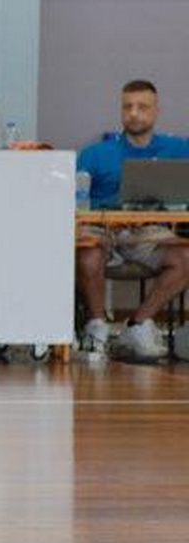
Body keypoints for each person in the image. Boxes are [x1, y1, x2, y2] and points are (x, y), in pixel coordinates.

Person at [75, 80, 189, 363]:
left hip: (149, 233)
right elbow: (75, 199)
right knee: (87, 254)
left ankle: (138, 324)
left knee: (186, 256)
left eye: (142, 107)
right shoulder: (94, 154)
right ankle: (97, 326)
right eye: (128, 107)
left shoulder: (179, 150)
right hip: (101, 229)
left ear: (156, 110)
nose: (134, 113)